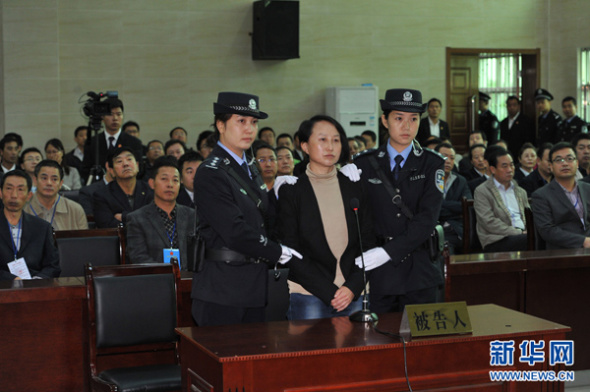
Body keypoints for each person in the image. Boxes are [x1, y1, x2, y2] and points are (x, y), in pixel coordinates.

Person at [191, 91, 301, 327]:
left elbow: (264, 218)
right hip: (222, 288)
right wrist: (278, 252)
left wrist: (287, 195)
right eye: (241, 121)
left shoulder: (249, 166)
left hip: (253, 284)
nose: (249, 129)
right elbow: (234, 230)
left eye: (253, 122)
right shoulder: (211, 172)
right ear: (221, 125)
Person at [349, 88, 445, 313]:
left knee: (421, 344)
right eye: (398, 118)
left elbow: (427, 219)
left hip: (419, 271)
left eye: (413, 119)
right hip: (379, 271)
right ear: (384, 120)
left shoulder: (432, 163)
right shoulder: (364, 163)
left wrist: (388, 251)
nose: (407, 126)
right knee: (380, 342)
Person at [277, 115, 375, 320]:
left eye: (336, 140)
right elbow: (290, 250)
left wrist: (351, 287)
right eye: (322, 140)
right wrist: (330, 292)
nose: (330, 146)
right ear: (304, 146)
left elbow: (368, 242)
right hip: (308, 293)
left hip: (354, 292)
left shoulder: (354, 185)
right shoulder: (293, 191)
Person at [126, 158, 196, 270]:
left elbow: (198, 254)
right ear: (152, 183)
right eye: (164, 179)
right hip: (155, 281)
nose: (170, 185)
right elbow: (139, 258)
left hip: (189, 281)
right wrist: (168, 274)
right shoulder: (137, 219)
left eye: (175, 180)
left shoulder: (192, 216)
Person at [0, 170, 60, 280]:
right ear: (0, 193)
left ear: (29, 195)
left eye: (20, 189)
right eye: (9, 188)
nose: (14, 195)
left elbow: (53, 266)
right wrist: (11, 279)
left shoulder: (42, 227)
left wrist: (37, 280)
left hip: (34, 289)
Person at [532, 142, 590, 249]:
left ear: (577, 163)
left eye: (569, 159)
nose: (565, 164)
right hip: (562, 252)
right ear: (551, 166)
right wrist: (583, 241)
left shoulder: (588, 189)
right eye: (559, 160)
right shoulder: (541, 195)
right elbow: (547, 231)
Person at [474, 147, 529, 252]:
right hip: (496, 239)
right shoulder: (482, 191)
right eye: (504, 166)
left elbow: (529, 216)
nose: (510, 169)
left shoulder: (521, 192)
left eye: (511, 165)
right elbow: (489, 222)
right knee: (530, 241)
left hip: (524, 236)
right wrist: (517, 232)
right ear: (493, 169)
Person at [82, 97, 143, 182]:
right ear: (102, 117)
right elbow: (85, 170)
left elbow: (140, 171)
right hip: (99, 189)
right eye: (110, 114)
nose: (115, 118)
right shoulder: (93, 142)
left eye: (118, 114)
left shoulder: (134, 142)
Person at [93, 147, 153, 228]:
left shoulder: (150, 190)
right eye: (119, 161)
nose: (125, 164)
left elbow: (156, 220)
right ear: (112, 171)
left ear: (137, 166)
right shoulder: (102, 195)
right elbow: (107, 226)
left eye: (129, 159)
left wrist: (125, 217)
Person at [24, 160, 88, 230]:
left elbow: (83, 240)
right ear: (35, 181)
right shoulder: (23, 208)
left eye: (54, 179)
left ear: (60, 184)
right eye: (44, 178)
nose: (49, 183)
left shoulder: (75, 210)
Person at [435, 143, 472, 254]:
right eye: (444, 156)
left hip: (455, 230)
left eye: (452, 158)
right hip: (433, 228)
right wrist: (454, 209)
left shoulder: (460, 181)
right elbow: (427, 207)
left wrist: (441, 204)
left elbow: (466, 206)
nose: (448, 161)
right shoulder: (426, 180)